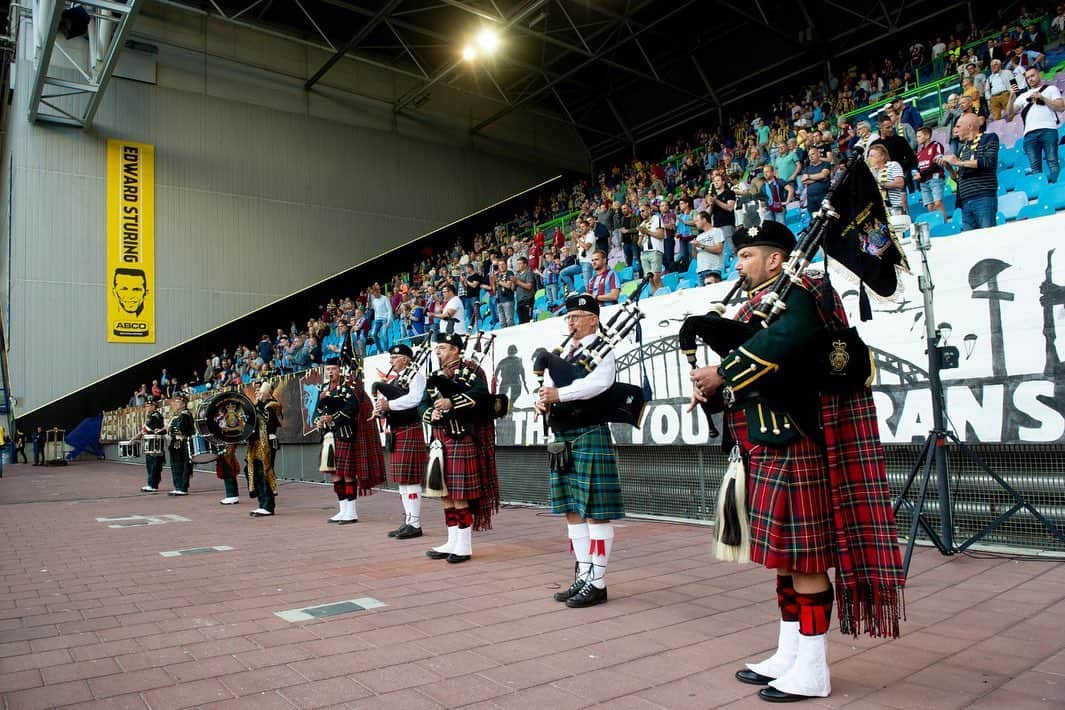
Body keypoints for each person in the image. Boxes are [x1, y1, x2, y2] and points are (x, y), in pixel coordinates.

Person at [689, 221, 904, 702]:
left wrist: (721, 372)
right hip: (766, 441)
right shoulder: (761, 301)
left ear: (775, 259)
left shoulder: (804, 289)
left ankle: (813, 667)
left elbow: (787, 339)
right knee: (785, 558)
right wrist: (709, 386)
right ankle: (789, 652)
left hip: (797, 438)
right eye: (738, 255)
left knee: (805, 558)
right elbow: (757, 360)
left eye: (747, 255)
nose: (738, 264)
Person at [536, 294, 624, 608]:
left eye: (576, 317)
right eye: (568, 318)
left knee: (595, 510)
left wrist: (559, 394)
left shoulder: (603, 349)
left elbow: (598, 384)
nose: (570, 323)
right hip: (563, 435)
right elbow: (549, 386)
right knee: (572, 509)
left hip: (589, 432)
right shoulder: (567, 351)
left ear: (593, 319)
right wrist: (543, 398)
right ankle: (584, 574)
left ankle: (598, 582)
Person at [419, 332, 500, 564]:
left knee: (459, 494)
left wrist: (451, 402)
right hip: (439, 439)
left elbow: (480, 396)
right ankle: (451, 541)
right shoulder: (434, 375)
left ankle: (464, 546)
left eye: (443, 348)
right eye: (437, 348)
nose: (438, 352)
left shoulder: (472, 371)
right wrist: (430, 413)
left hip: (461, 437)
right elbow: (423, 403)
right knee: (445, 492)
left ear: (455, 349)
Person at [373, 344, 428, 540]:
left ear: (405, 359)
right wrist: (382, 409)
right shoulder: (397, 380)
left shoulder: (416, 377)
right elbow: (395, 402)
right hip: (397, 431)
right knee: (402, 481)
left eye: (394, 358)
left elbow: (414, 399)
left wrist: (390, 404)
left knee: (410, 479)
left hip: (410, 429)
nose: (391, 361)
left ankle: (415, 523)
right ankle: (409, 521)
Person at [314, 362, 361, 524]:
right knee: (335, 473)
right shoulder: (323, 388)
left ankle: (352, 511)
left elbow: (352, 409)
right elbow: (317, 410)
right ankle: (342, 510)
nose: (330, 372)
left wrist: (333, 418)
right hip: (328, 436)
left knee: (347, 473)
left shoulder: (347, 387)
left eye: (333, 369)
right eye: (328, 369)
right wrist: (318, 421)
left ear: (340, 370)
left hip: (343, 433)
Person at [936, 113, 999, 231]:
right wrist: (949, 167)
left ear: (970, 126)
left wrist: (958, 162)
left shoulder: (988, 138)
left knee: (988, 237)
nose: (955, 130)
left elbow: (988, 162)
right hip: (965, 201)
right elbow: (958, 178)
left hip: (982, 197)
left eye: (958, 126)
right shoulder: (962, 148)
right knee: (971, 241)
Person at [1009, 66, 1065, 184]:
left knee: (1052, 161)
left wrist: (1042, 97)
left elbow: (1061, 107)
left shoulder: (1050, 89)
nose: (1030, 79)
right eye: (1028, 77)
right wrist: (1011, 96)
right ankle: (1042, 189)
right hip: (1029, 134)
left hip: (1048, 129)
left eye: (1032, 75)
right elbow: (1010, 113)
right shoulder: (1023, 96)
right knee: (1035, 167)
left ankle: (1058, 188)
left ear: (1039, 74)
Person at [247, 381, 283, 517]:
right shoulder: (258, 406)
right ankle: (261, 503)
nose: (258, 394)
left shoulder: (273, 405)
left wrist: (258, 405)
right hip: (256, 443)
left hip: (267, 442)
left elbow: (270, 421)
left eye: (261, 392)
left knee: (265, 471)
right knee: (254, 471)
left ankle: (268, 505)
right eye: (258, 392)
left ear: (268, 393)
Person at [914, 126, 948, 222]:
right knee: (930, 207)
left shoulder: (936, 146)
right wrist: (918, 174)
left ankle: (944, 224)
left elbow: (937, 163)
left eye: (919, 136)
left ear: (927, 135)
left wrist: (922, 174)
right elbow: (918, 167)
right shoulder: (919, 153)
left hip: (935, 179)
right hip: (923, 182)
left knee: (938, 203)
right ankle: (936, 225)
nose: (917, 139)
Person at [166, 393, 194, 496]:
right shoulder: (176, 415)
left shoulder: (185, 415)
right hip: (175, 442)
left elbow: (180, 429)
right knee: (175, 464)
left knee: (183, 464)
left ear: (184, 404)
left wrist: (169, 429)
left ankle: (183, 487)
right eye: (176, 402)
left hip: (182, 442)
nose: (176, 404)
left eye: (178, 402)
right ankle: (177, 486)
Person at [867, 144, 907, 214]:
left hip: (896, 207)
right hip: (881, 209)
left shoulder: (893, 165)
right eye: (869, 156)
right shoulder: (870, 171)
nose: (869, 158)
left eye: (872, 156)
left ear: (882, 156)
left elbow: (900, 183)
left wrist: (881, 185)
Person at [139, 399, 166, 492]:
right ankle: (152, 483)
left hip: (155, 443)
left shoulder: (156, 416)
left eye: (150, 406)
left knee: (154, 463)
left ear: (154, 406)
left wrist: (144, 430)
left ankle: (153, 484)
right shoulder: (150, 416)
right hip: (150, 442)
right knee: (150, 463)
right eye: (146, 406)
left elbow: (156, 429)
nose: (148, 408)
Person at [693, 210, 725, 285]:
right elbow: (695, 257)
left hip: (713, 269)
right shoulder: (698, 237)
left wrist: (701, 246)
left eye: (697, 220)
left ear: (704, 220)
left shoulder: (717, 231)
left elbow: (719, 249)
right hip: (700, 271)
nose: (695, 223)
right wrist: (694, 247)